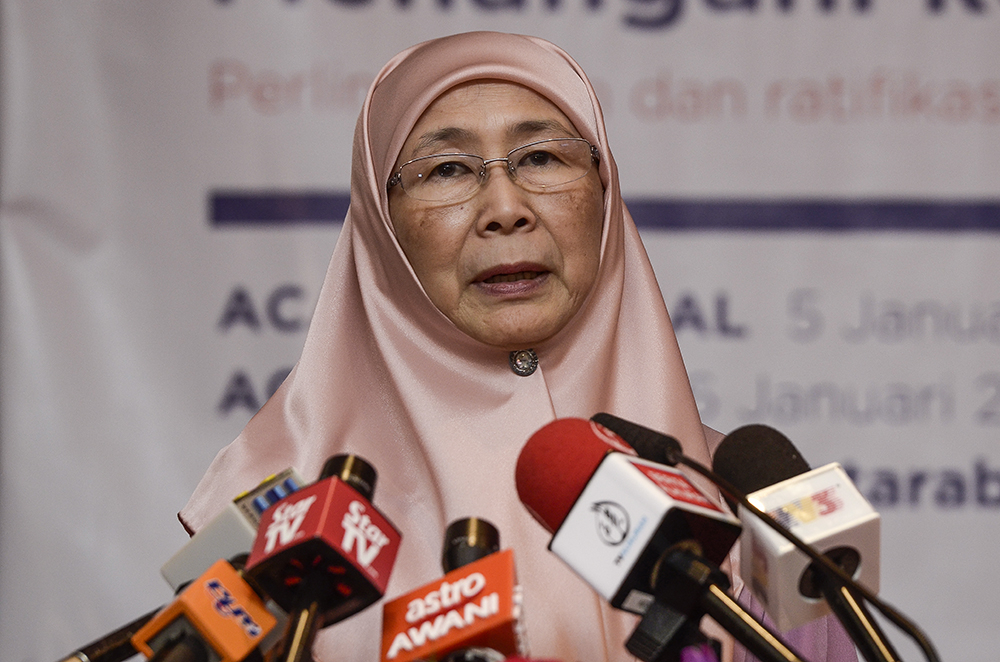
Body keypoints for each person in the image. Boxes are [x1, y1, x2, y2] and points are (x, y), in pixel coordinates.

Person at [180, 31, 857, 662]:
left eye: (540, 157)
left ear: (603, 188)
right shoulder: (272, 524)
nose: (505, 206)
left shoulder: (767, 501)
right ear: (380, 225)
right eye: (446, 169)